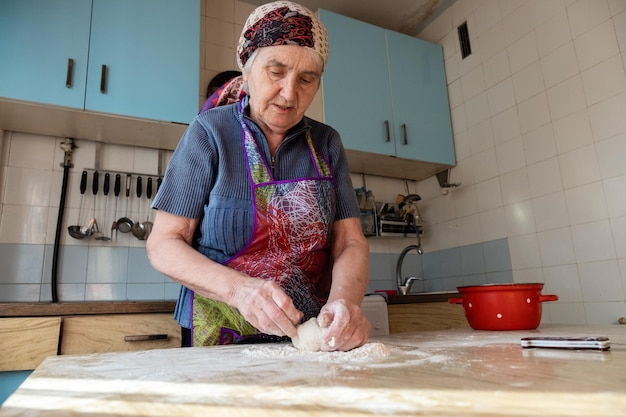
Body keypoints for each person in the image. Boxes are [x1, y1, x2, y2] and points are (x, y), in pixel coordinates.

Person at [146, 1, 371, 351]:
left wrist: (344, 302)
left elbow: (350, 242)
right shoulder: (209, 132)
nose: (290, 93)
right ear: (247, 71)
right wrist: (240, 290)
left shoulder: (327, 142)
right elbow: (163, 244)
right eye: (276, 72)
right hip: (219, 336)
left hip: (311, 338)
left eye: (306, 79)